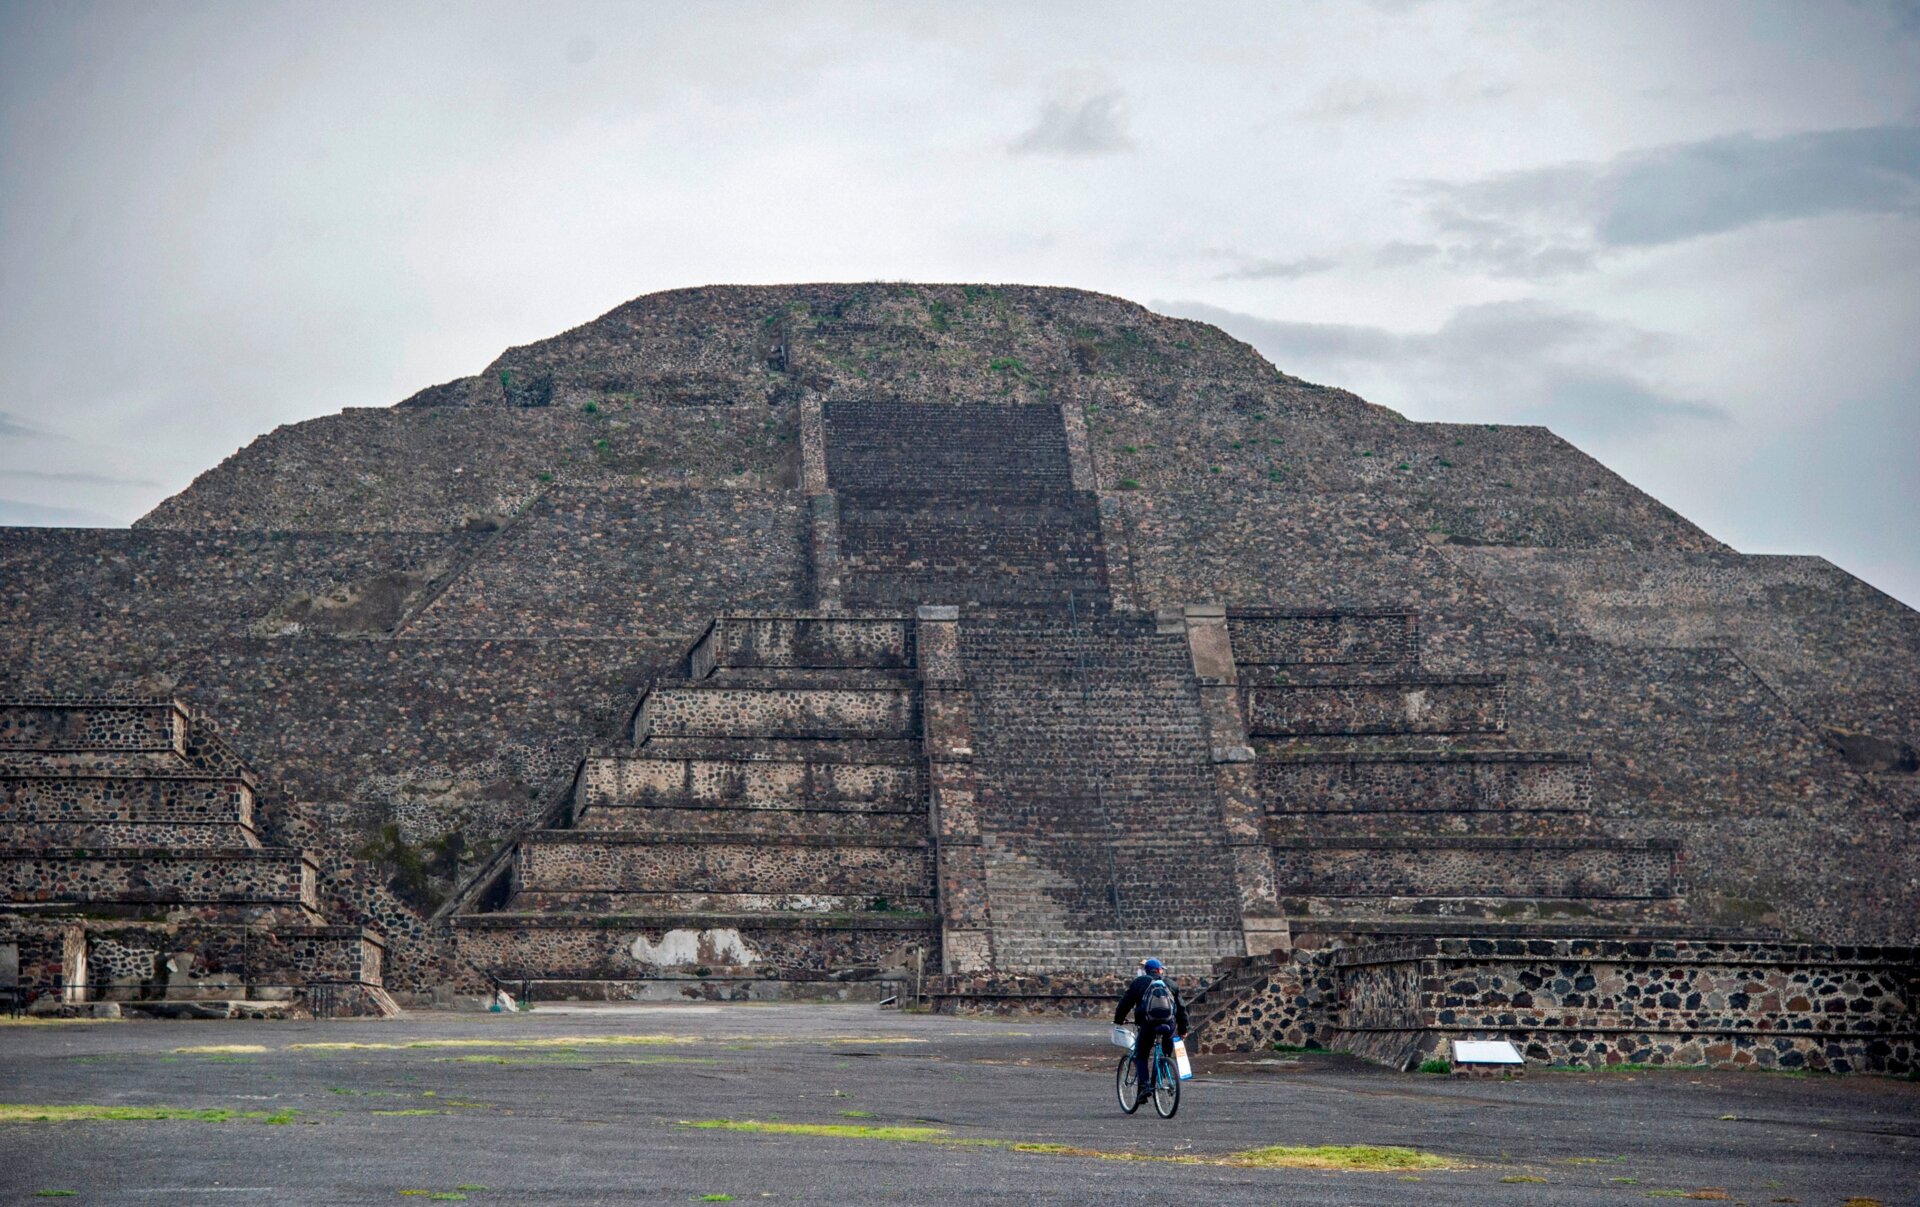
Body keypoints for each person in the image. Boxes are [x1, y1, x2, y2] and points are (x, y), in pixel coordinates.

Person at [1113, 957, 1188, 1098]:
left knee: (1141, 1054)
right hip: (1168, 1025)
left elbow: (1125, 1003)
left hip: (1147, 1024)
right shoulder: (1171, 984)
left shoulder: (1139, 983)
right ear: (1159, 970)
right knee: (1166, 1051)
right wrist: (1183, 1030)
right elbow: (1182, 1010)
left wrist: (1119, 1020)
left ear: (1145, 970)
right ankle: (1164, 1071)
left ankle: (1144, 1086)